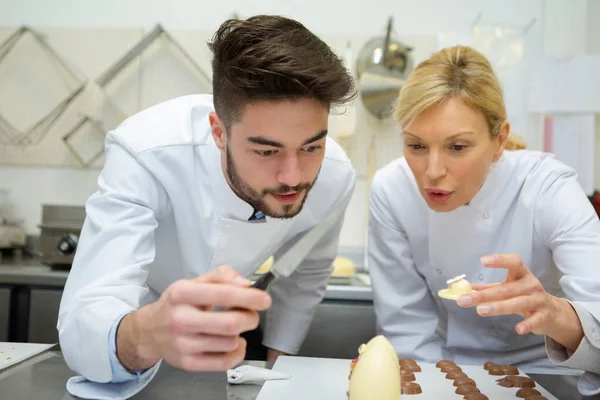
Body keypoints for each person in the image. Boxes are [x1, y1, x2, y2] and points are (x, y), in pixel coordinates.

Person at [57, 14, 357, 392]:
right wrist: (148, 335)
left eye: (312, 146)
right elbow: (89, 312)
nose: (293, 176)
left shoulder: (334, 174)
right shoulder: (147, 152)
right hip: (134, 331)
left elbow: (304, 274)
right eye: (267, 151)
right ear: (219, 132)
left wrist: (280, 377)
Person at [367, 45, 600, 383]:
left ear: (500, 140)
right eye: (416, 146)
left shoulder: (546, 187)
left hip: (550, 374)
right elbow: (407, 330)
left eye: (457, 147)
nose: (432, 171)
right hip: (442, 372)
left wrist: (553, 313)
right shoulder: (393, 190)